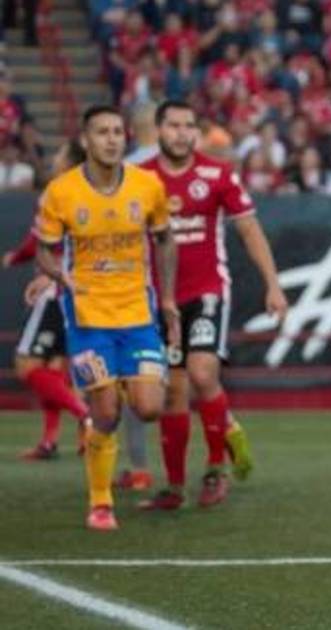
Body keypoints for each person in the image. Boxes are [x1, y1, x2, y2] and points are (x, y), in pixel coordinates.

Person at [34, 105, 181, 531]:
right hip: (88, 315)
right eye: (102, 132)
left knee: (149, 408)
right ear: (86, 140)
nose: (112, 139)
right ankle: (101, 503)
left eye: (118, 132)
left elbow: (165, 240)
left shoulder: (147, 185)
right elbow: (44, 249)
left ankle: (118, 382)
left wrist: (167, 299)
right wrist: (57, 274)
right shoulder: (62, 192)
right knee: (106, 414)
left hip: (137, 311)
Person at [138, 100, 288, 511]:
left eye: (189, 126)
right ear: (159, 130)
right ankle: (174, 487)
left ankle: (215, 470)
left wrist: (273, 285)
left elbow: (249, 229)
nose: (182, 133)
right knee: (172, 393)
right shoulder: (140, 179)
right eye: (173, 125)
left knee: (203, 374)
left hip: (207, 291)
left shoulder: (218, 174)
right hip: (158, 298)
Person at [2, 141, 90, 460]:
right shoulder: (90, 191)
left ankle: (85, 416)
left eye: (60, 154)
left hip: (57, 289)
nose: (55, 159)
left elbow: (39, 239)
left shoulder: (58, 191)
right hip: (79, 290)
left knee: (27, 364)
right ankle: (50, 440)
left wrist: (15, 258)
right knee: (55, 367)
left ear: (69, 162)